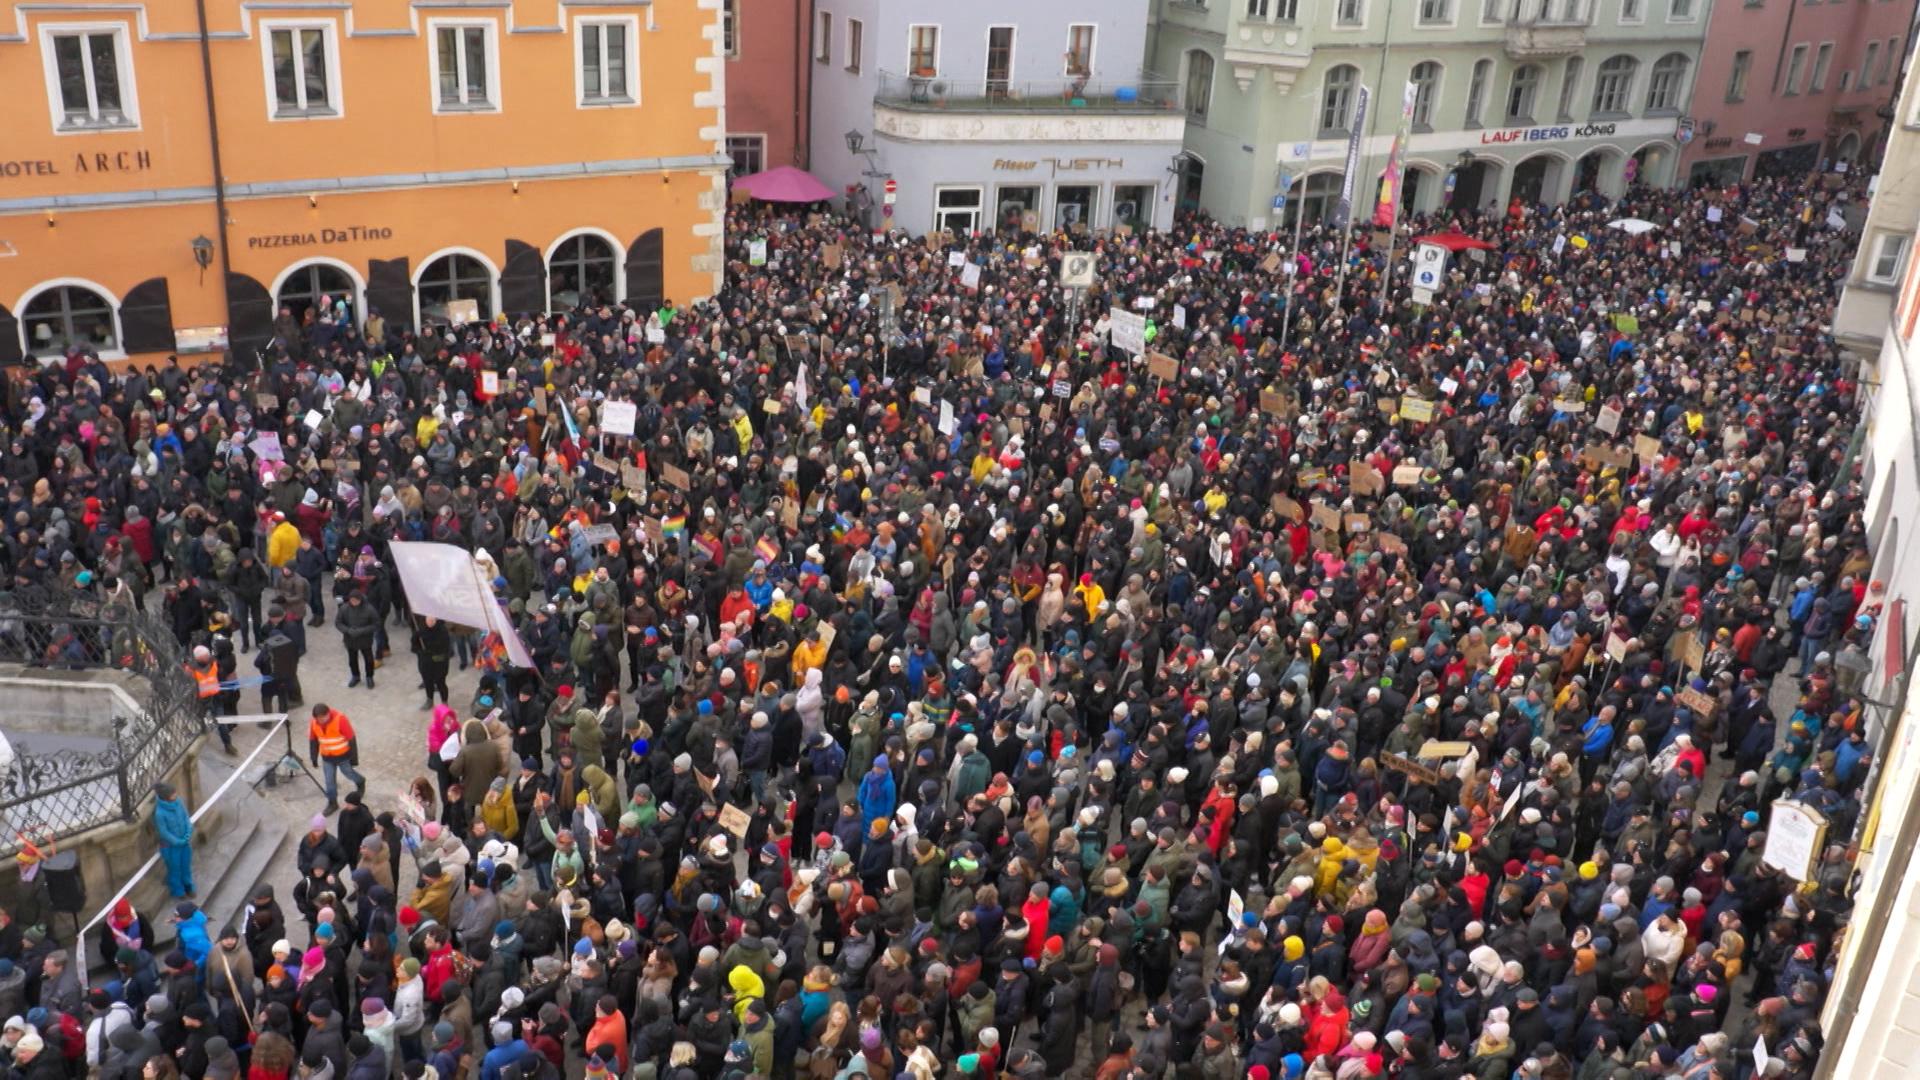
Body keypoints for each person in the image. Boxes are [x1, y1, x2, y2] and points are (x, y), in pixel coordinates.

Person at [306, 703, 364, 816]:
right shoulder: (314, 722)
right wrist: (314, 757)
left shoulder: (341, 719)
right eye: (319, 719)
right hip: (327, 758)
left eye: (323, 718)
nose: (321, 721)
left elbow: (351, 739)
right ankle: (332, 803)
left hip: (343, 756)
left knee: (348, 773)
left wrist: (354, 760)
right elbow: (313, 741)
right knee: (329, 782)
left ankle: (360, 781)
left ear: (328, 714)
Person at [152, 782, 194, 899]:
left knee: (186, 865)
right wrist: (177, 841)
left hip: (184, 843)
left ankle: (188, 886)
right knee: (175, 870)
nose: (176, 795)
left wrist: (188, 831)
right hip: (171, 848)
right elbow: (163, 832)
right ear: (166, 797)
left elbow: (185, 817)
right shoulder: (159, 813)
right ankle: (178, 891)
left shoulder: (178, 802)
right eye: (173, 794)